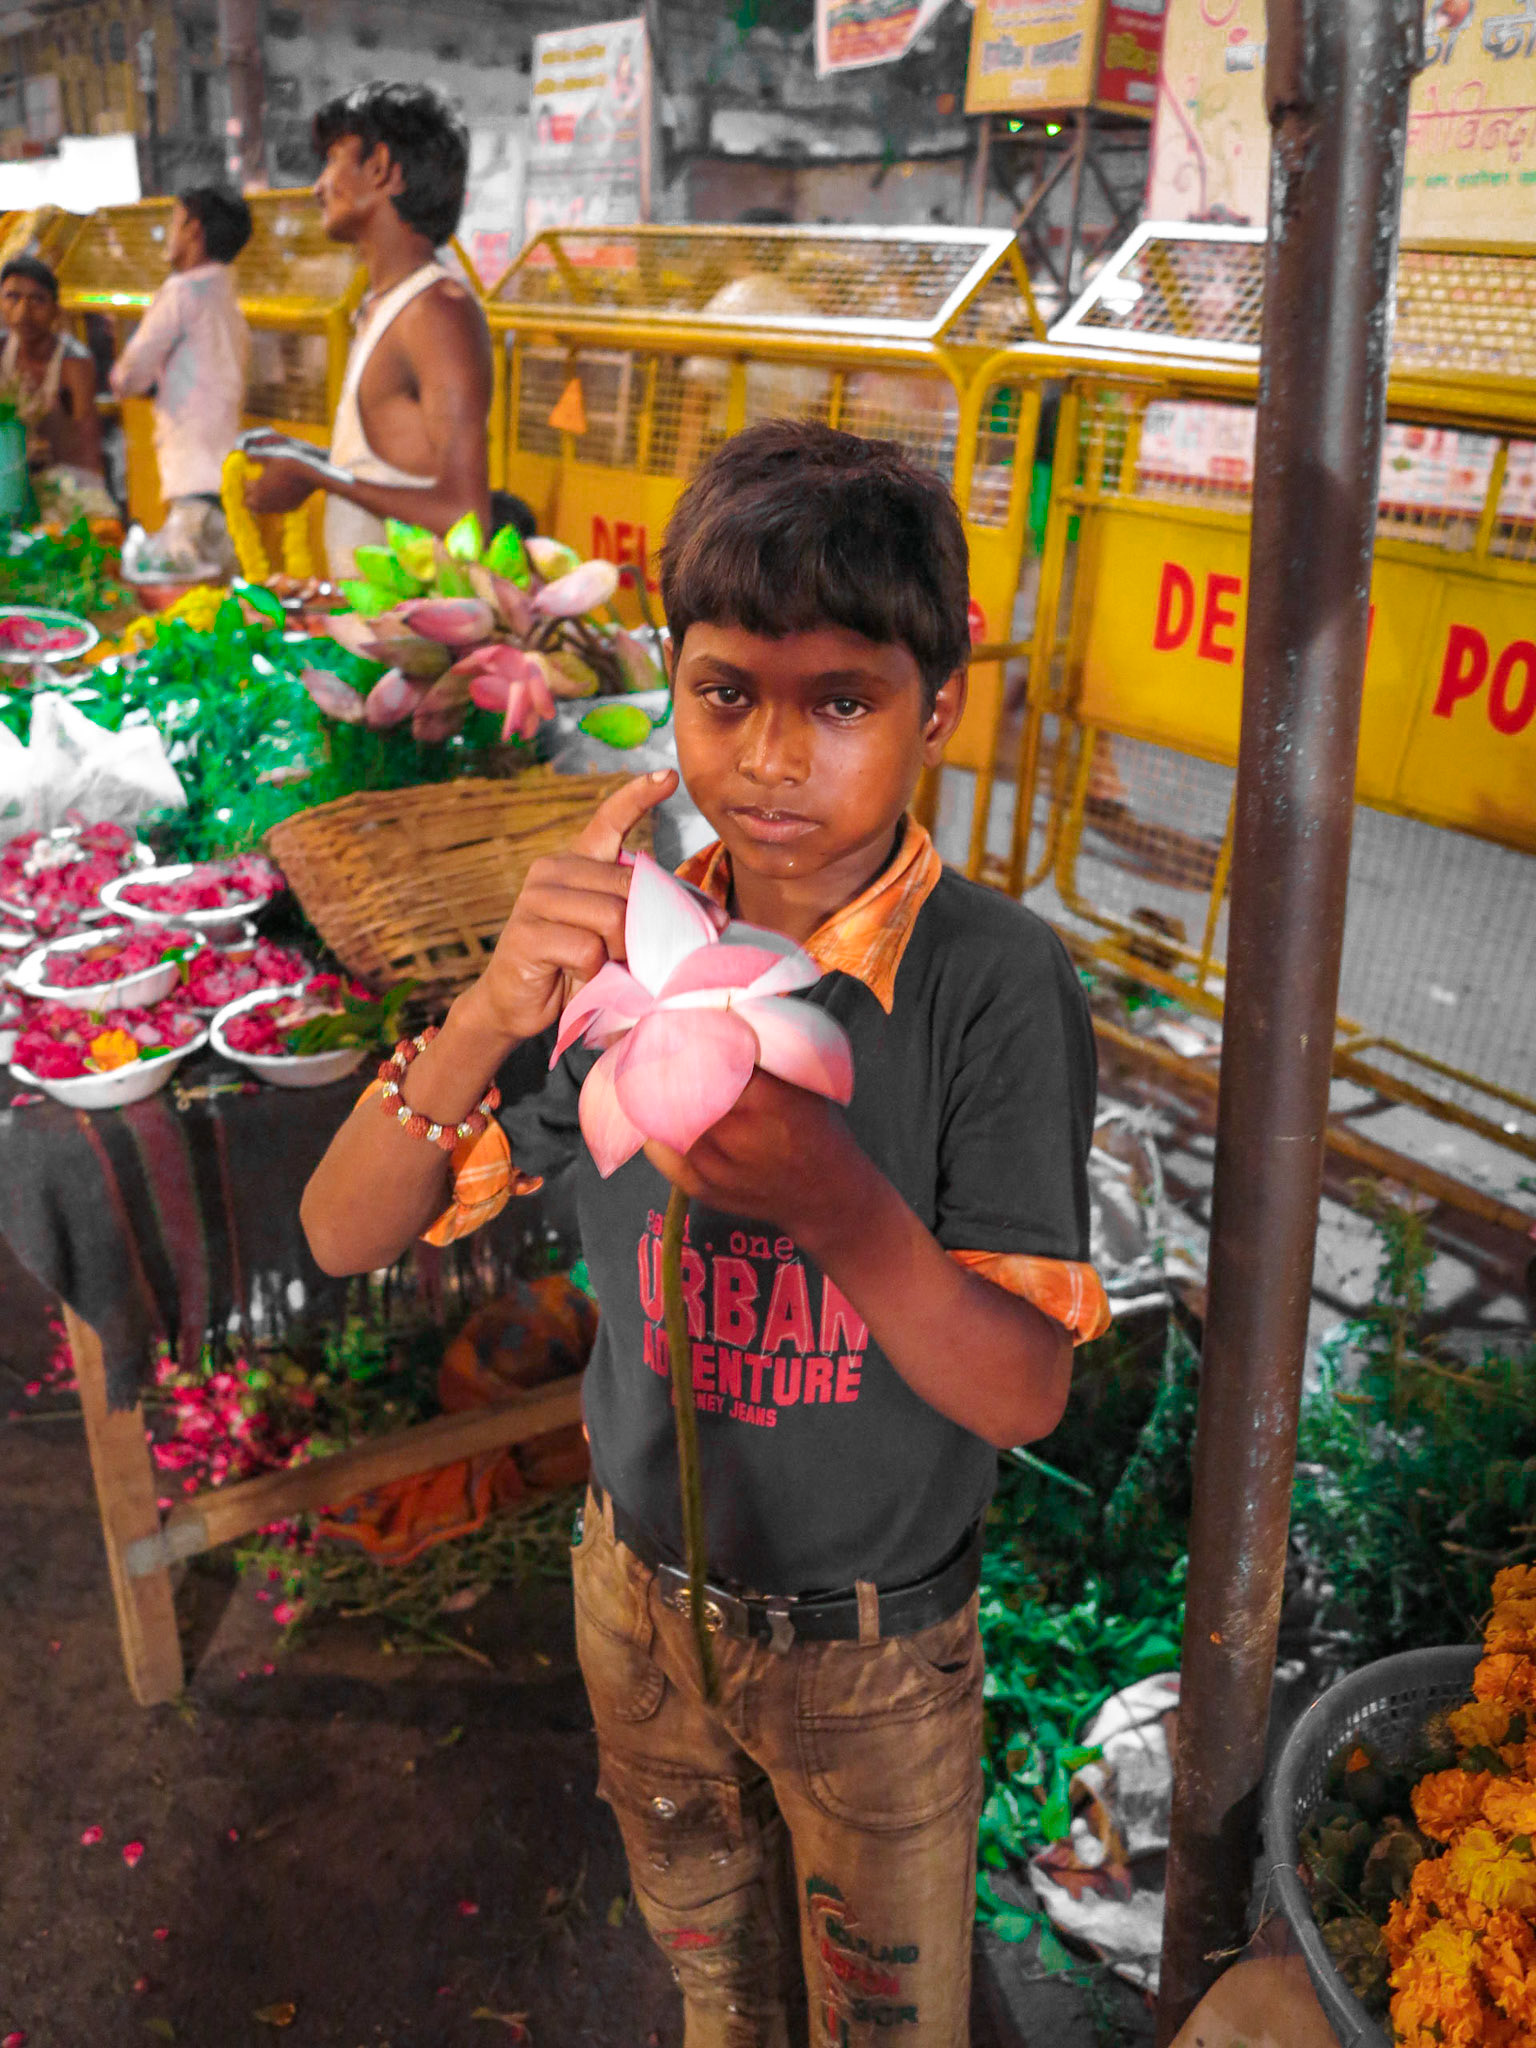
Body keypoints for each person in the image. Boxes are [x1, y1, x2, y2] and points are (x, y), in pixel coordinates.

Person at [301, 421, 1109, 2046]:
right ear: (669, 684)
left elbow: (1025, 1395)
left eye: (844, 704)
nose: (774, 758)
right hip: (639, 1605)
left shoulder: (988, 986)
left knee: (885, 2018)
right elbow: (341, 1232)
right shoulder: (629, 938)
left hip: (872, 1658)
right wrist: (482, 1016)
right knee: (715, 1988)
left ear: (937, 704)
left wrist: (846, 1215)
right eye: (728, 692)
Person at [242, 82, 494, 581]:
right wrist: (302, 458)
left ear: (381, 169)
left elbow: (465, 518)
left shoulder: (437, 312)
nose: (318, 187)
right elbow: (392, 474)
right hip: (375, 639)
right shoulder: (385, 305)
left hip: (420, 647)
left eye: (334, 160)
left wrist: (316, 474)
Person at [109, 185, 253, 581]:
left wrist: (142, 382)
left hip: (192, 483)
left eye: (173, 223)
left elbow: (129, 374)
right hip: (225, 483)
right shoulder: (228, 297)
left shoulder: (181, 292)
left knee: (190, 604)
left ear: (193, 230)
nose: (169, 236)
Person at [0, 255, 116, 524]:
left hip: (64, 484)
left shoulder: (73, 361)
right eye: (12, 297)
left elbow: (88, 447)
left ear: (55, 309)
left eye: (37, 299)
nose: (23, 311)